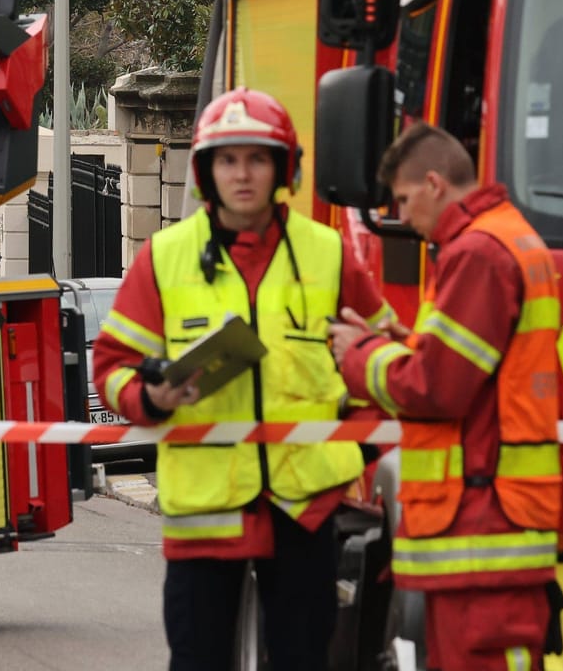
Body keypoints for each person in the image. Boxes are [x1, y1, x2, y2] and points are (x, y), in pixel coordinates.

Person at [93, 87, 396, 671]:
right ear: (206, 170)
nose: (243, 174)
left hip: (304, 512)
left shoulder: (329, 255)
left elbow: (387, 363)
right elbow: (111, 369)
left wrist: (358, 449)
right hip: (205, 514)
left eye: (257, 158)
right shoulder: (163, 257)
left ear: (283, 168)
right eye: (227, 159)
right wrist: (148, 396)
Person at [329, 123, 562, 671]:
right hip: (496, 525)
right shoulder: (507, 238)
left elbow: (437, 388)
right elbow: (474, 371)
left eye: (406, 200)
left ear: (434, 183)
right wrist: (402, 345)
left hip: (480, 526)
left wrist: (359, 357)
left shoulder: (477, 253)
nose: (403, 217)